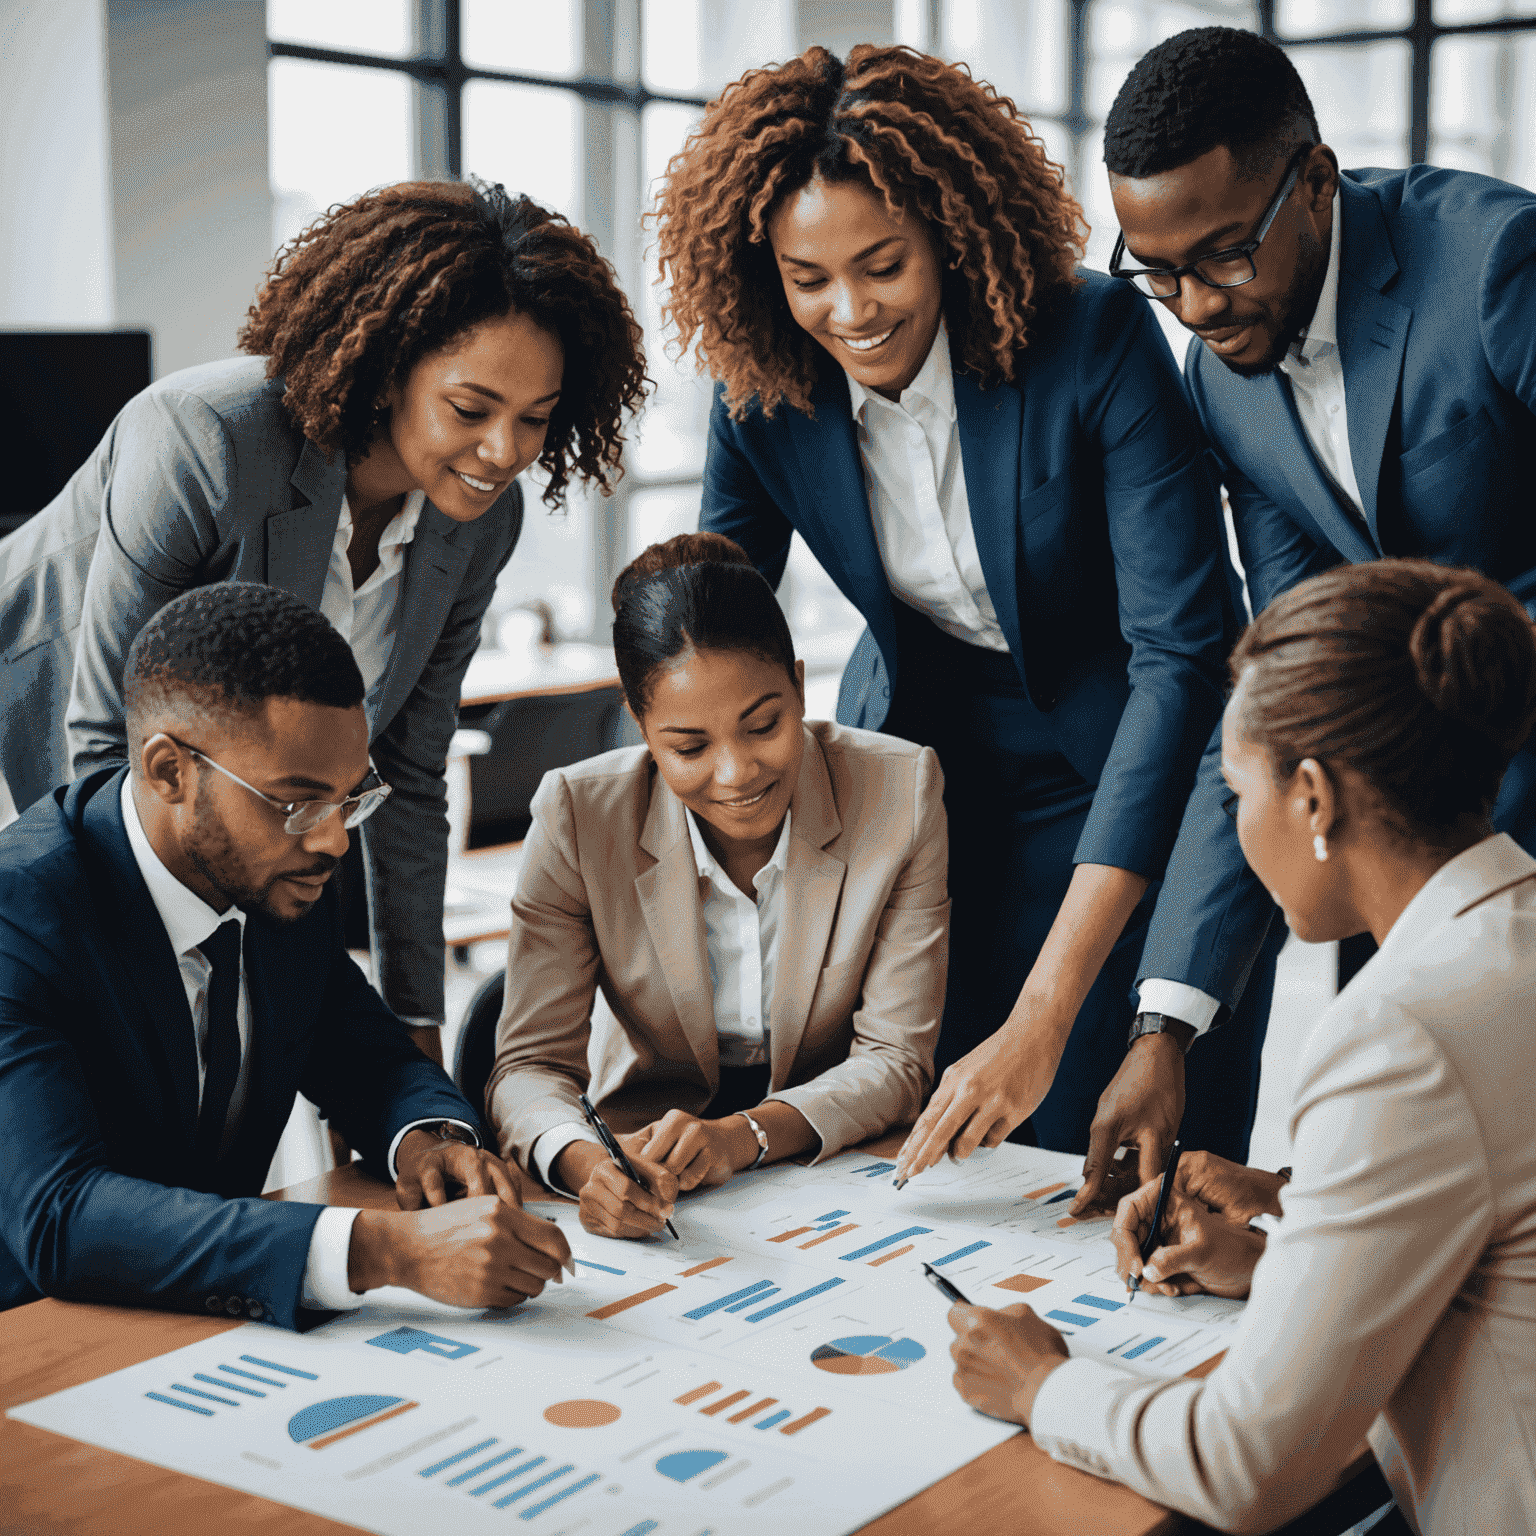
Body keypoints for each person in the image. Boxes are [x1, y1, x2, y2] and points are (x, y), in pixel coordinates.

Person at [654, 43, 1268, 1189]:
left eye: (882, 263)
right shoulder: (764, 388)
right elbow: (701, 625)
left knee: (1117, 1162)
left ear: (946, 227)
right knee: (927, 1147)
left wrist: (1045, 1015)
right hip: (929, 783)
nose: (849, 310)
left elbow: (1183, 658)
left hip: (1127, 767)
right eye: (807, 278)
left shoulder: (1089, 337)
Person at [946, 559, 1536, 1536]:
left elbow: (1246, 1467)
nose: (1236, 826)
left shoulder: (1394, 1032)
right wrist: (1289, 1238)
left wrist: (1041, 1384)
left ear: (1313, 799)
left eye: (1233, 792)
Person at [0, 179, 647, 1059]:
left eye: (535, 419)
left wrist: (413, 1022)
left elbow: (410, 772)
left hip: (177, 789)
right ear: (388, 370)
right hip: (33, 724)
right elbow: (109, 750)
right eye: (471, 409)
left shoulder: (482, 521)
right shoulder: (205, 440)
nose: (505, 452)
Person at [1089, 24, 1536, 1186]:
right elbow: (1292, 687)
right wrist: (1166, 1023)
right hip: (1409, 860)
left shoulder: (1496, 267)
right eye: (1157, 272)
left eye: (1225, 255)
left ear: (1318, 182)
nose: (1191, 305)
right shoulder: (1225, 388)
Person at [0, 583, 573, 1325]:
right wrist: (384, 1250)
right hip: (43, 1340)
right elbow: (61, 1215)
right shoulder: (21, 915)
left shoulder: (276, 869)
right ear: (169, 770)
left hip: (214, 1327)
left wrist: (427, 1144)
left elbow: (372, 1059)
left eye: (348, 799)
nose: (335, 841)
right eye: (299, 803)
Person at [486, 533, 947, 1239]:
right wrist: (587, 1164)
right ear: (640, 725)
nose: (736, 775)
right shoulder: (580, 813)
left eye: (763, 726)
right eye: (689, 747)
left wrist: (743, 1136)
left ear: (798, 684)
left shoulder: (900, 789)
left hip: (836, 1160)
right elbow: (528, 1066)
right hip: (645, 1160)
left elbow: (895, 1059)